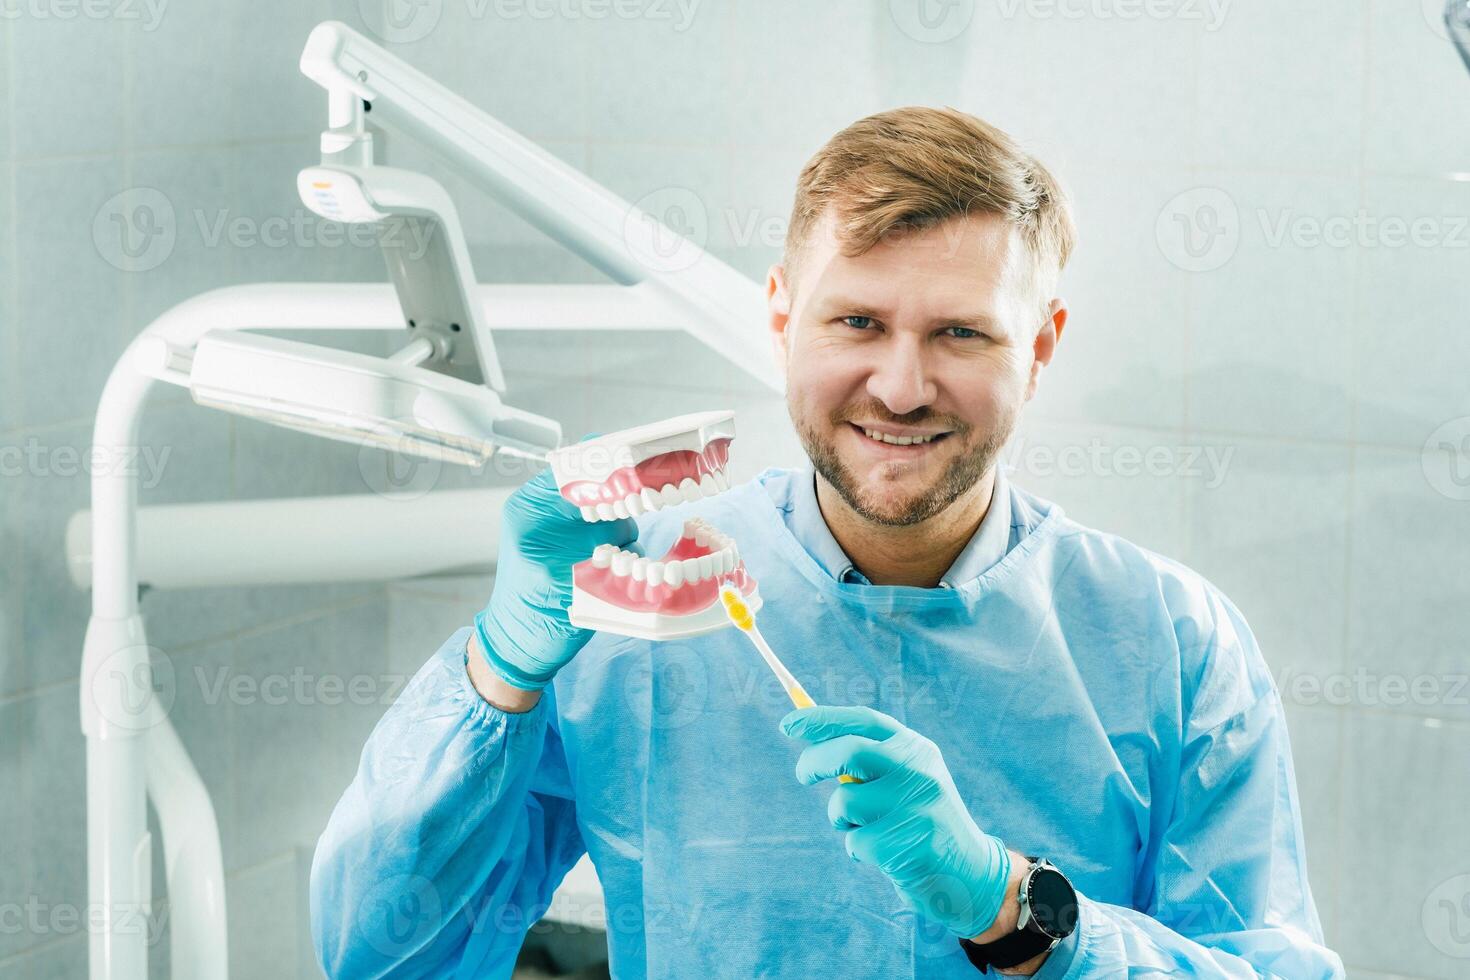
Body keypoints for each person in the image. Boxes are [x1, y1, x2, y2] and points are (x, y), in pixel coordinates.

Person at [310, 107, 1343, 978]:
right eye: (856, 322)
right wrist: (498, 674)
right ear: (781, 316)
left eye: (961, 333)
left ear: (1039, 346)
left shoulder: (1169, 642)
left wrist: (1014, 907)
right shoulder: (625, 614)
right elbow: (385, 955)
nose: (900, 386)